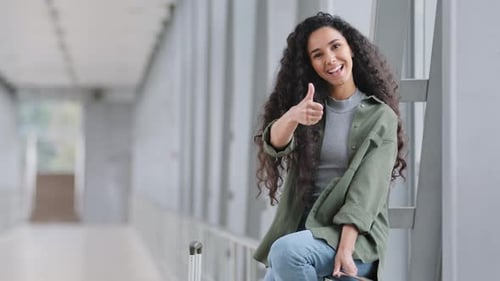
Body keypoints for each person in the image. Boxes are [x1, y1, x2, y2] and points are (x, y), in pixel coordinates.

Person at [253, 12, 407, 281]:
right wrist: (292, 116)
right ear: (311, 64)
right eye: (318, 54)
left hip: (353, 238)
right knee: (283, 258)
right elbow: (274, 144)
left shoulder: (380, 117)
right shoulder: (311, 110)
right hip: (306, 234)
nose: (330, 59)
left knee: (286, 253)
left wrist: (345, 251)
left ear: (351, 48)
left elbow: (365, 193)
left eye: (335, 46)